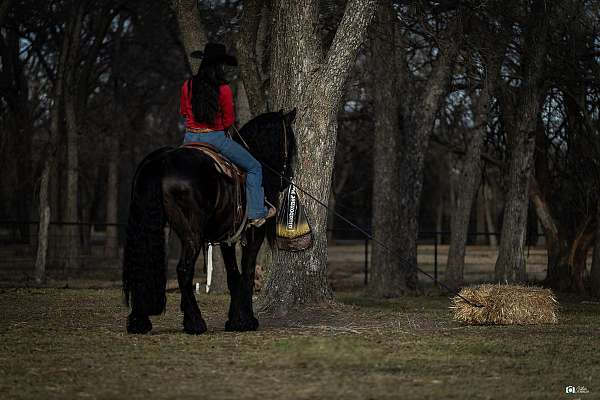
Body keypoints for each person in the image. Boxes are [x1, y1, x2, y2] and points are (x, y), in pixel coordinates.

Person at [180, 43, 275, 227]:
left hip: (189, 139)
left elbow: (184, 111)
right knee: (254, 167)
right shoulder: (223, 89)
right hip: (215, 139)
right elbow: (229, 120)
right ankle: (256, 213)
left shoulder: (188, 85)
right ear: (219, 66)